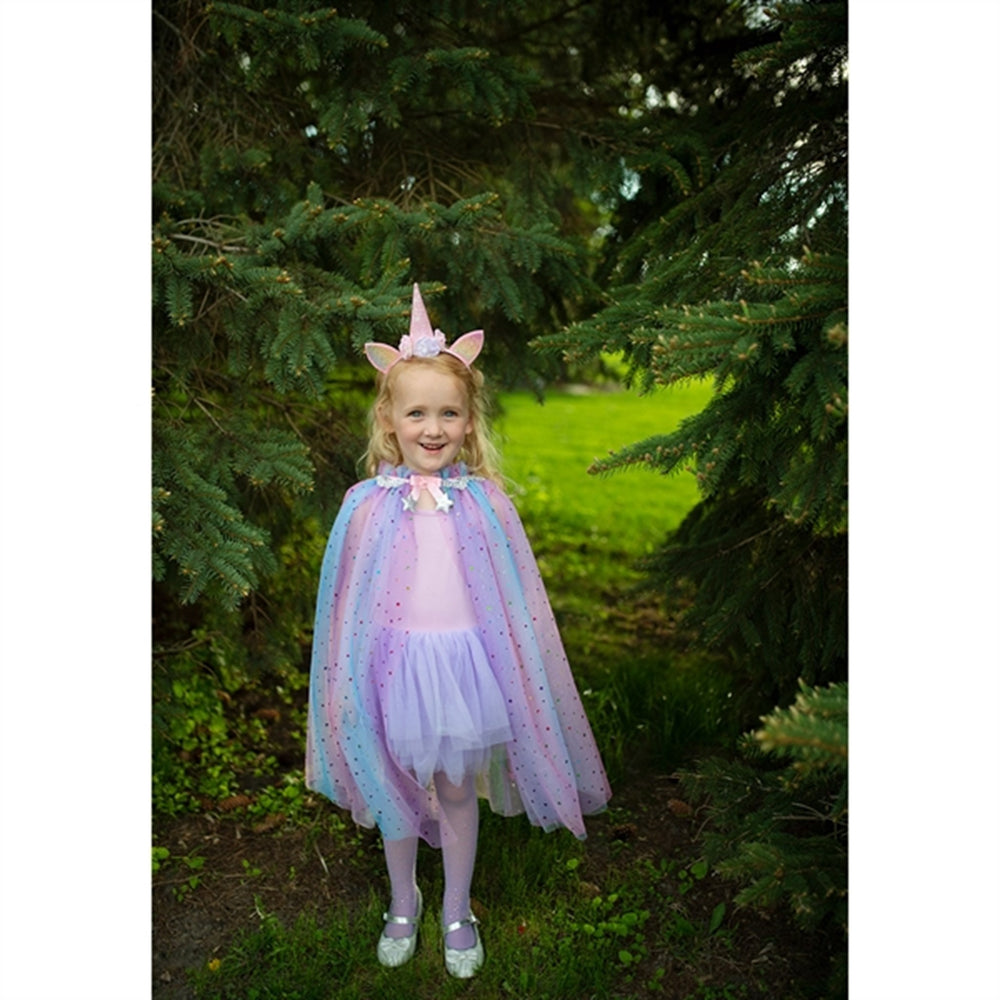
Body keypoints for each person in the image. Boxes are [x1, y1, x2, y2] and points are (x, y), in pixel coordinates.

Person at [305, 284, 611, 978]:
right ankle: (403, 899)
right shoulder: (364, 506)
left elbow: (516, 603)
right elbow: (345, 603)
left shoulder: (486, 504)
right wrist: (345, 681)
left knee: (453, 787)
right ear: (389, 420)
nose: (433, 428)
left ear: (470, 422)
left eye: (448, 413)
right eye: (416, 413)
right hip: (390, 669)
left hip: (462, 670)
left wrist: (515, 672)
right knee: (393, 786)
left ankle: (456, 907)